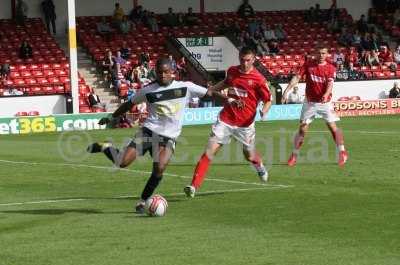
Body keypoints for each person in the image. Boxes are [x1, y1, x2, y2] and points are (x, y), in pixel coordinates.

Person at [86, 57, 242, 213]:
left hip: (168, 138)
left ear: (172, 72)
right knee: (122, 162)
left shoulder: (185, 87)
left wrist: (228, 99)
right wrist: (111, 117)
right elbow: (129, 104)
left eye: (166, 72)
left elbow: (209, 93)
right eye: (159, 72)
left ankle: (143, 201)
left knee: (159, 168)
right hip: (148, 132)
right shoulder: (148, 90)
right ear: (155, 72)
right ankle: (105, 146)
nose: (163, 75)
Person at [184, 47, 272, 198]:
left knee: (249, 156)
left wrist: (264, 110)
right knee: (209, 152)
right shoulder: (232, 71)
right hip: (225, 119)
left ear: (254, 59)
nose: (245, 63)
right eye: (242, 60)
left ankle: (259, 166)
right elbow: (226, 82)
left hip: (245, 125)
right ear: (239, 58)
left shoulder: (258, 79)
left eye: (248, 60)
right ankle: (193, 186)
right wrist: (211, 89)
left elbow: (268, 99)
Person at [282, 45, 348, 167]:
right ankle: (294, 155)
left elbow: (330, 84)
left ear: (327, 54)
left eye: (323, 53)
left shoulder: (330, 68)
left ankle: (342, 152)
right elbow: (296, 78)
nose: (321, 55)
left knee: (333, 127)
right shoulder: (308, 65)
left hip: (325, 103)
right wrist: (286, 91)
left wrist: (326, 94)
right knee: (302, 129)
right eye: (319, 53)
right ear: (314, 53)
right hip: (310, 102)